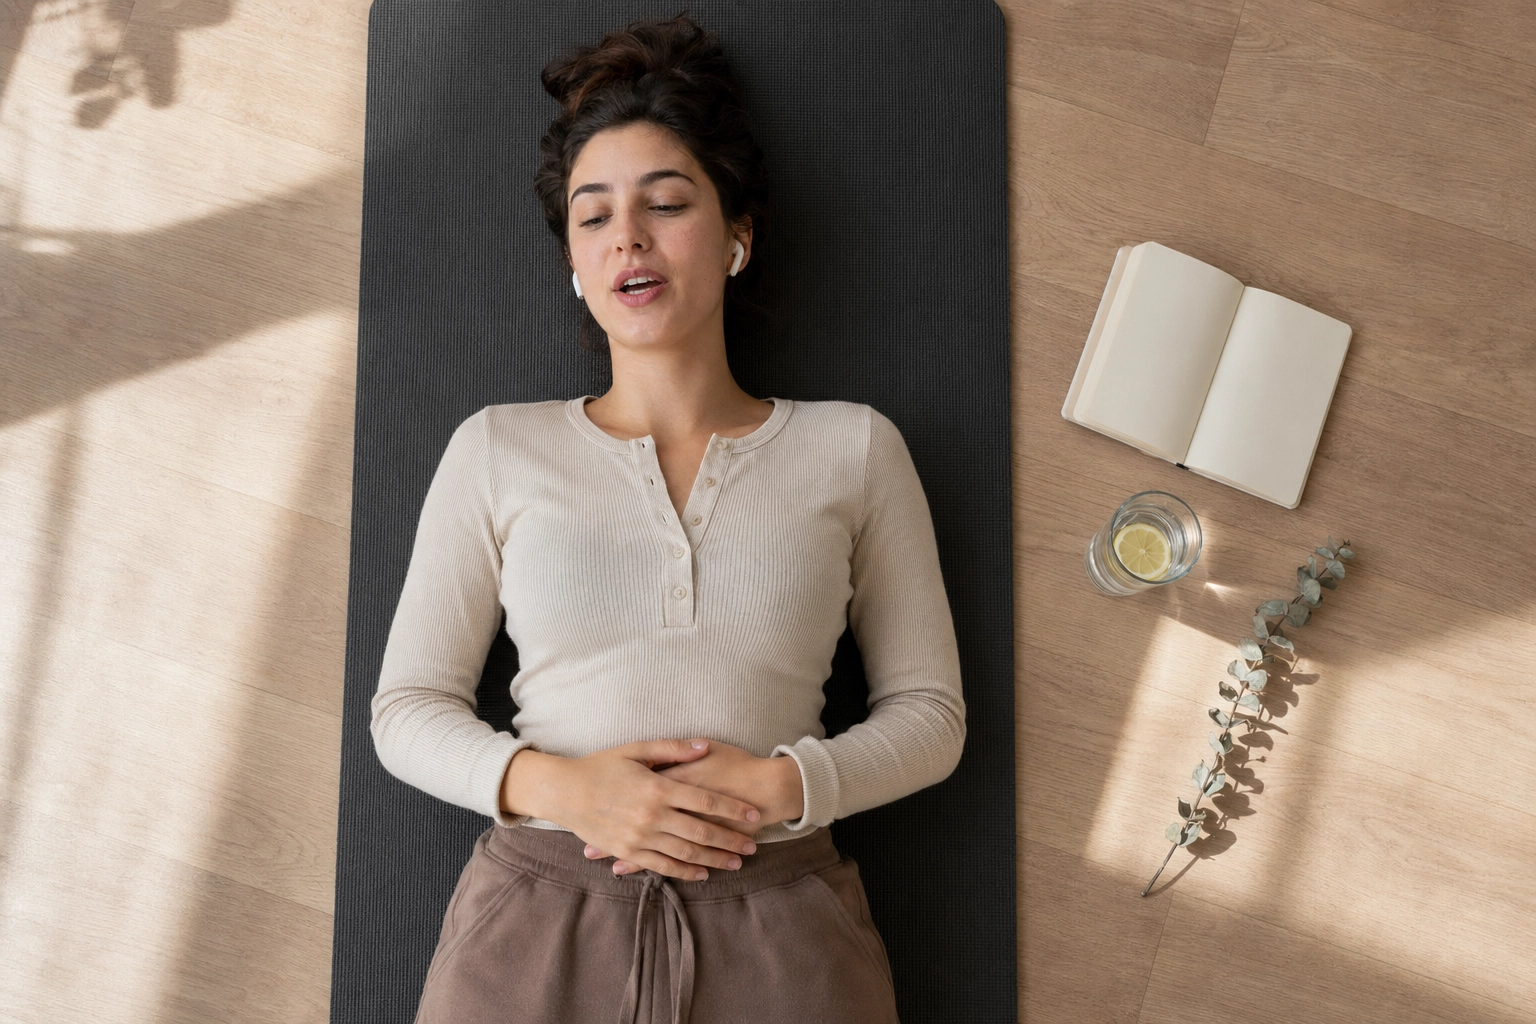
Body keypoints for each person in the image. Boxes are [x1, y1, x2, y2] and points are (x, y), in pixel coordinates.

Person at [369, 14, 967, 1023]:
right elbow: (406, 710)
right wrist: (565, 790)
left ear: (738, 236)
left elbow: (932, 718)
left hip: (780, 922)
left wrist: (778, 788)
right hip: (538, 919)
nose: (628, 238)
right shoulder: (495, 448)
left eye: (667, 202)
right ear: (572, 261)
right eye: (593, 216)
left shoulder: (855, 448)